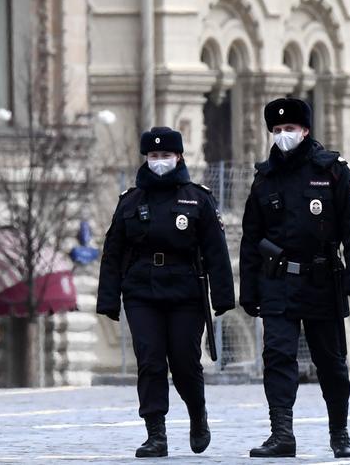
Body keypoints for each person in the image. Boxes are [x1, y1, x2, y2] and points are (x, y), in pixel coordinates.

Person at [240, 98, 350, 458]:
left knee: (330, 361)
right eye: (278, 131)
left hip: (321, 280)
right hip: (277, 282)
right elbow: (251, 238)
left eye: (291, 130)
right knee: (278, 357)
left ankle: (339, 431)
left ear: (306, 130)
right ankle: (281, 433)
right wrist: (248, 290)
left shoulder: (332, 171)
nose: (284, 136)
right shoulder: (264, 179)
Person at [98, 127, 235, 458]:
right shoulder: (130, 201)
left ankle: (197, 414)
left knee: (185, 361)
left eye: (166, 156)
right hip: (141, 291)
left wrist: (223, 298)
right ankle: (155, 433)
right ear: (146, 158)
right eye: (154, 156)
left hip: (185, 291)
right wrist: (108, 299)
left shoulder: (197, 199)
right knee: (150, 360)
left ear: (179, 157)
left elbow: (216, 251)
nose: (160, 161)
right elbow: (113, 251)